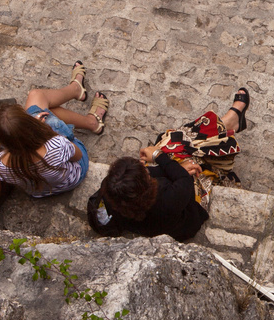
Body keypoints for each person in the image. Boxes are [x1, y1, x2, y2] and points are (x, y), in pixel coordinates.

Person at [87, 88, 250, 241]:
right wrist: (160, 157)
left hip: (156, 216)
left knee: (172, 144)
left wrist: (170, 167)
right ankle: (230, 123)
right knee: (185, 148)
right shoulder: (169, 198)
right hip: (186, 218)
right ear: (147, 181)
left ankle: (229, 122)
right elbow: (184, 179)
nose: (144, 165)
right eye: (143, 169)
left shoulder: (110, 196)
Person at [0, 64, 109, 197]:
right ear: (30, 126)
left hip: (40, 191)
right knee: (46, 111)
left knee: (43, 110)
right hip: (73, 177)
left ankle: (77, 91)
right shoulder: (56, 145)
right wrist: (46, 130)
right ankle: (91, 120)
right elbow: (78, 155)